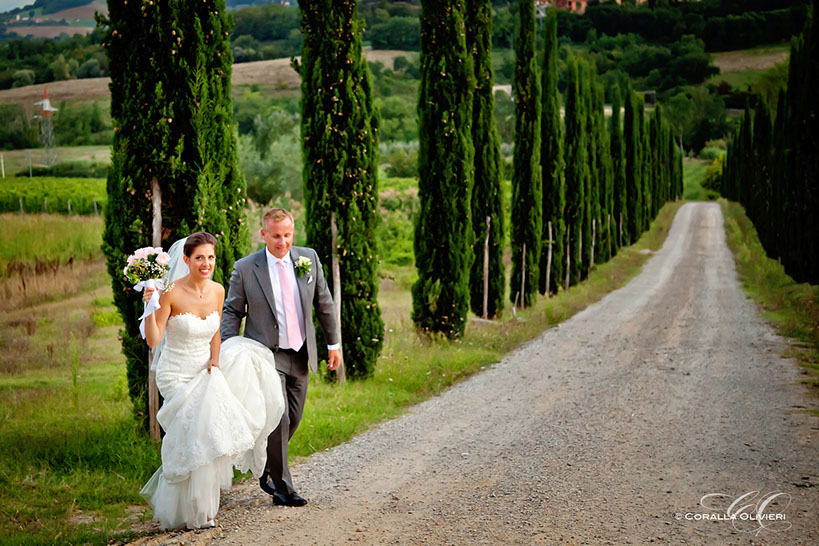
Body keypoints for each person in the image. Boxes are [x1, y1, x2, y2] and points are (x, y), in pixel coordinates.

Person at [138, 232, 284, 530]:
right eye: (200, 257)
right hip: (176, 374)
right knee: (192, 432)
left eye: (211, 257)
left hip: (204, 371)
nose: (206, 263)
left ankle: (201, 509)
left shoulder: (217, 291)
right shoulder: (170, 292)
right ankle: (186, 508)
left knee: (206, 435)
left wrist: (215, 361)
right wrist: (149, 308)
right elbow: (154, 342)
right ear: (187, 259)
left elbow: (215, 332)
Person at [221, 208, 341, 507]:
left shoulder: (308, 258)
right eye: (276, 236)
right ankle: (283, 488)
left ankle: (264, 463)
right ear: (263, 234)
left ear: (293, 232)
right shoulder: (246, 268)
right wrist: (227, 349)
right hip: (265, 356)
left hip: (301, 353)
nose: (282, 242)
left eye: (287, 235)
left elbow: (324, 302)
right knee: (280, 418)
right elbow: (233, 311)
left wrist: (333, 344)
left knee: (295, 416)